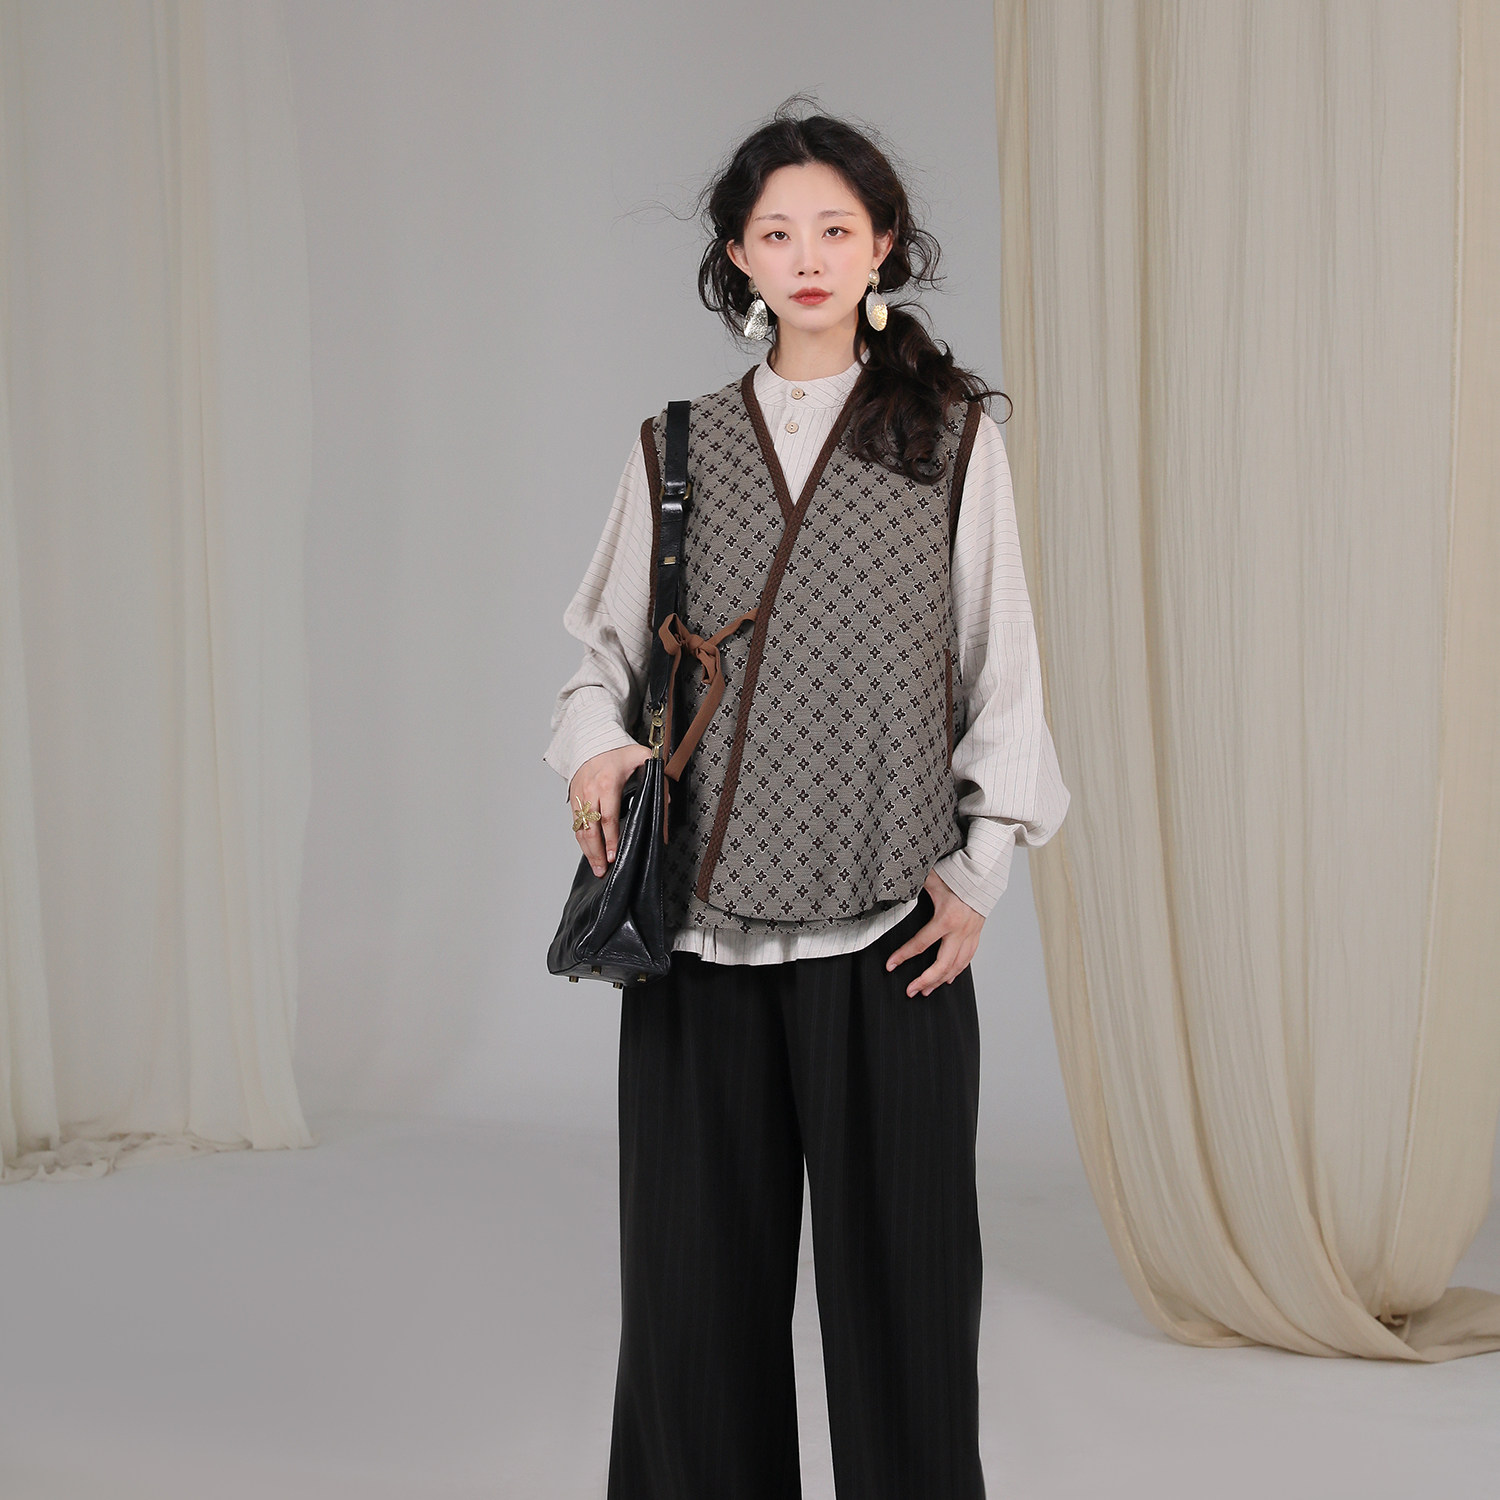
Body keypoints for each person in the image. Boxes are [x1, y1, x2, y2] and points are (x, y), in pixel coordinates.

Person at [542, 101, 1069, 1500]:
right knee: (690, 1311)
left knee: (907, 1304)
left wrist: (979, 871)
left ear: (884, 243)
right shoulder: (676, 445)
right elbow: (597, 668)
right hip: (695, 935)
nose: (810, 255)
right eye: (778, 233)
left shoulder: (949, 438)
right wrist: (592, 748)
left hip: (891, 929)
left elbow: (1004, 667)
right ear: (739, 256)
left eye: (837, 228)